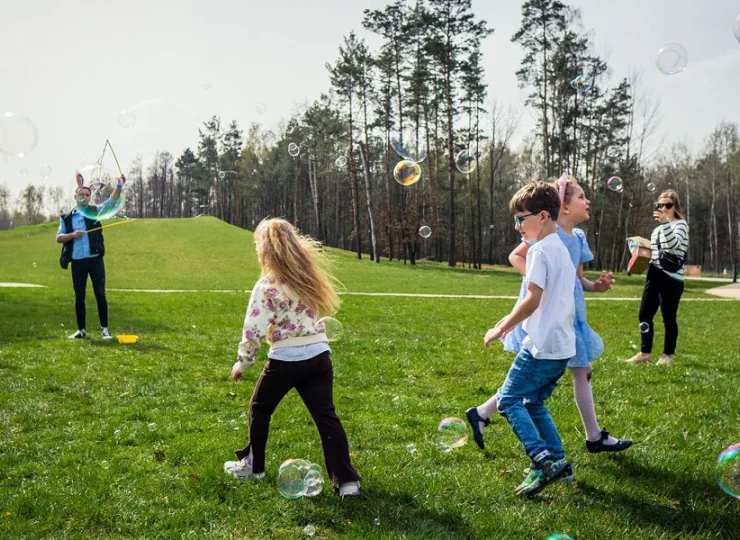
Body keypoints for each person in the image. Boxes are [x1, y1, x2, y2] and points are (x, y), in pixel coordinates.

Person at [467, 175, 631, 463]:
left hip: (562, 322)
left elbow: (575, 281)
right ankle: (574, 448)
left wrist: (597, 286)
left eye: (520, 219)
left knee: (530, 386)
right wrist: (537, 278)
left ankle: (538, 448)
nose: (587, 200)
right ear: (562, 208)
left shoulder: (569, 241)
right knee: (536, 387)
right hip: (548, 320)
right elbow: (520, 263)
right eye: (581, 196)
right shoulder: (541, 244)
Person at [224, 218, 361, 498]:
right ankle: (348, 483)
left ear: (265, 250)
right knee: (327, 417)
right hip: (319, 356)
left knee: (260, 409)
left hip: (285, 359)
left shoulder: (267, 285)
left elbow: (254, 328)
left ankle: (254, 467)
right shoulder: (306, 277)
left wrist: (243, 362)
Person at [480, 181, 575, 497]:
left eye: (522, 218)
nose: (517, 225)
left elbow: (532, 299)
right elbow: (542, 302)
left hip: (539, 347)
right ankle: (559, 462)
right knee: (533, 402)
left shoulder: (538, 251)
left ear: (544, 215)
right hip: (561, 346)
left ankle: (543, 460)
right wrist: (508, 321)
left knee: (508, 400)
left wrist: (501, 327)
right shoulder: (559, 247)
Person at [56, 171, 125, 340]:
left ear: (89, 198)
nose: (85, 196)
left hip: (95, 261)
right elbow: (59, 237)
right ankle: (81, 330)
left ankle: (105, 330)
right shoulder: (66, 218)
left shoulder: (95, 211)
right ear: (75, 196)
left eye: (87, 194)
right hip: (78, 262)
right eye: (81, 194)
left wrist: (119, 186)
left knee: (100, 294)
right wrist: (72, 235)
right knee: (79, 296)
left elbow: (111, 202)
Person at [625, 189, 689, 366]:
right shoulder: (658, 229)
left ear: (675, 207)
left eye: (668, 205)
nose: (664, 208)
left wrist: (664, 224)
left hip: (671, 278)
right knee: (644, 314)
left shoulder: (680, 224)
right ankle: (645, 353)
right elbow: (656, 252)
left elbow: (673, 245)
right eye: (660, 205)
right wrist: (639, 250)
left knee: (669, 317)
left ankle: (667, 355)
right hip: (654, 274)